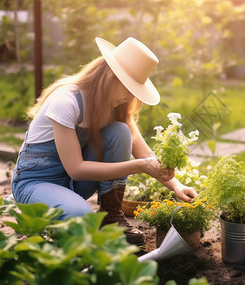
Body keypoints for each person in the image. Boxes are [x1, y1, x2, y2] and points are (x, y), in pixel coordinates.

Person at [11, 37, 197, 245]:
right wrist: (139, 167)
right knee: (80, 217)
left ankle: (111, 217)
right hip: (36, 182)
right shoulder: (67, 101)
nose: (130, 97)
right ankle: (61, 219)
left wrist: (177, 186)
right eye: (128, 88)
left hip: (72, 184)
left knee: (121, 131)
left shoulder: (111, 106)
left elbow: (145, 155)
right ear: (111, 77)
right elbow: (77, 169)